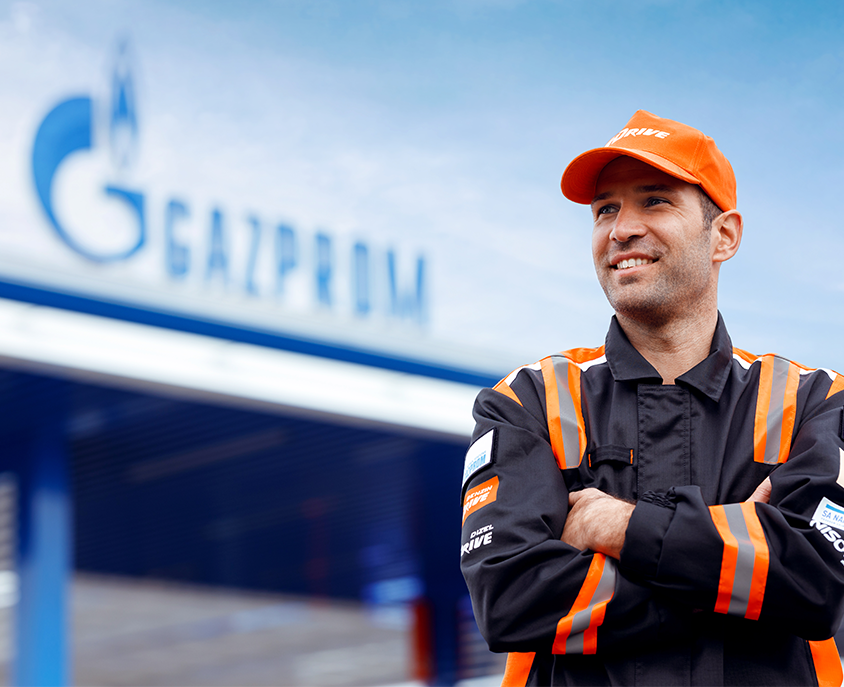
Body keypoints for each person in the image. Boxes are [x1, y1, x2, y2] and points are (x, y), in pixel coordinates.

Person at [460, 110, 844, 687]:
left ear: (725, 235)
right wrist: (742, 572)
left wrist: (621, 528)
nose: (621, 229)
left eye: (655, 201)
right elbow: (512, 600)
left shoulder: (816, 401)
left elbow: (817, 580)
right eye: (605, 209)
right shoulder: (526, 403)